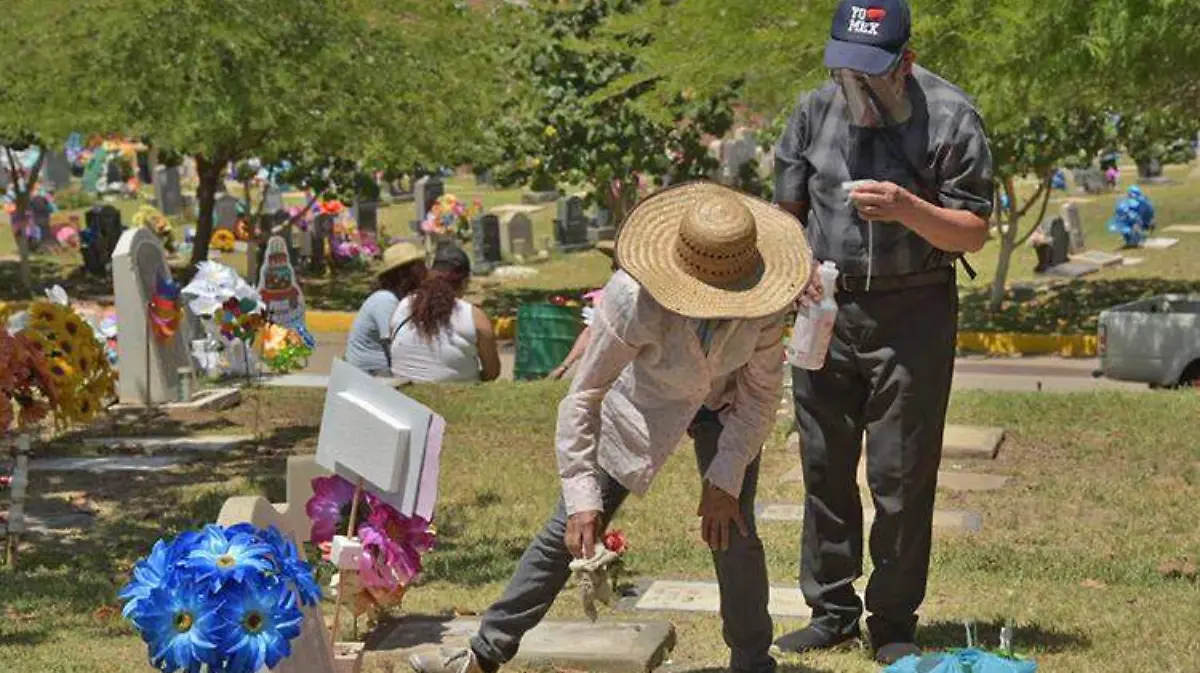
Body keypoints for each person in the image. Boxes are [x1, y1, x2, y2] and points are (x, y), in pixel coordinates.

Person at [409, 181, 811, 673]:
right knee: (571, 527)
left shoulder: (765, 300)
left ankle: (752, 662)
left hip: (725, 406)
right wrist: (582, 497)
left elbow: (761, 396)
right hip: (643, 403)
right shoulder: (633, 297)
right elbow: (583, 394)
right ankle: (486, 651)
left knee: (733, 528)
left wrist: (724, 477)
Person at [772, 0, 995, 664]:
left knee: (901, 473)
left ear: (907, 62)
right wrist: (797, 267)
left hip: (914, 310)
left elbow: (973, 229)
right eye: (845, 69)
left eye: (871, 71)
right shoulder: (812, 112)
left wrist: (907, 208)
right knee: (824, 462)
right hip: (827, 305)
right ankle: (831, 608)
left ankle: (893, 617)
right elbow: (786, 212)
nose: (856, 84)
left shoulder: (952, 116)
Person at [388, 245, 501, 383]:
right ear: (465, 282)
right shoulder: (474, 317)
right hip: (456, 397)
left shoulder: (403, 305)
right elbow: (492, 372)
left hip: (401, 396)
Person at [344, 242, 427, 376]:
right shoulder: (385, 300)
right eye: (420, 266)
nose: (425, 271)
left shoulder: (399, 300)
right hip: (370, 374)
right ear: (405, 273)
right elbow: (392, 347)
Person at [548, 241, 618, 380]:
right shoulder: (613, 294)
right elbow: (590, 332)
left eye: (616, 263)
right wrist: (564, 366)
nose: (612, 267)